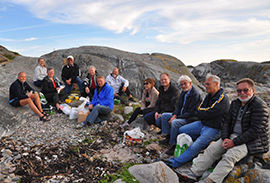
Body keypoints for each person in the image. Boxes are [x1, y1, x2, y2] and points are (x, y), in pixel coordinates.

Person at [176, 78, 269, 183]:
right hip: (232, 137)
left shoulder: (259, 106)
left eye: (245, 90)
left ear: (253, 90)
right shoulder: (235, 103)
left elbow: (254, 132)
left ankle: (211, 180)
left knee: (229, 156)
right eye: (239, 91)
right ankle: (193, 173)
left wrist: (234, 142)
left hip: (251, 141)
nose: (242, 93)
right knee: (211, 150)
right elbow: (226, 123)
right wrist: (225, 138)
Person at [164, 73, 230, 168]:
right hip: (203, 123)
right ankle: (192, 146)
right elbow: (199, 110)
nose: (205, 86)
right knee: (181, 130)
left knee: (195, 146)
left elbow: (209, 112)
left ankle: (174, 162)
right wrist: (205, 113)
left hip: (214, 128)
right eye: (205, 84)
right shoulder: (208, 96)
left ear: (216, 84)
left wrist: (204, 113)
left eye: (208, 84)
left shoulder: (222, 98)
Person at [159, 75, 202, 155]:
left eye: (185, 84)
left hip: (190, 118)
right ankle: (168, 136)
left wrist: (176, 117)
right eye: (181, 84)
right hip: (181, 115)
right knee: (164, 116)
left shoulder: (195, 95)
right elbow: (178, 106)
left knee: (175, 123)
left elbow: (192, 112)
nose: (183, 86)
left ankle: (174, 144)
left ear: (190, 83)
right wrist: (175, 115)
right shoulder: (183, 93)